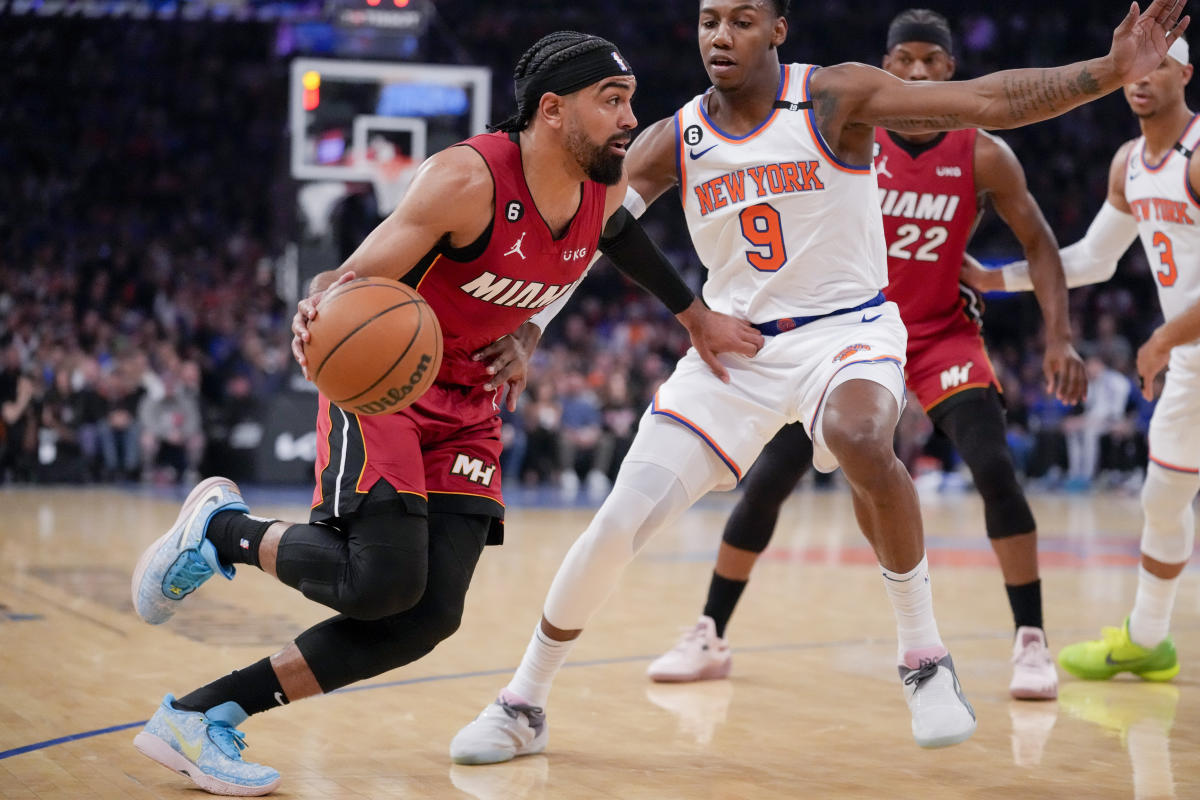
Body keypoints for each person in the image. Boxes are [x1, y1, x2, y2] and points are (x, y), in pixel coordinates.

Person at [449, 0, 1189, 763]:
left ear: (777, 30)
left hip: (851, 330)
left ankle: (925, 659)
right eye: (708, 20)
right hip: (735, 352)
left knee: (860, 435)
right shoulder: (676, 135)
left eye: (741, 19)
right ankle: (524, 702)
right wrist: (535, 325)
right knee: (615, 525)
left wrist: (1107, 72)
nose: (719, 36)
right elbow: (593, 227)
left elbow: (989, 99)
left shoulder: (835, 96)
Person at [128, 31, 759, 797]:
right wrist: (321, 306)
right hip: (388, 385)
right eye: (613, 101)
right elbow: (352, 275)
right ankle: (221, 531)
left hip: (469, 402)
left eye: (630, 101)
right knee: (377, 585)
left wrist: (669, 321)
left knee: (427, 617)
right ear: (553, 110)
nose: (631, 119)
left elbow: (617, 238)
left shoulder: (602, 186)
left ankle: (200, 716)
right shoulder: (467, 178)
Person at [643, 8, 1088, 702]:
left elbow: (1039, 242)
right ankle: (708, 628)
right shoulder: (848, 128)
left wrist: (1056, 333)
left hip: (938, 335)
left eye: (930, 63)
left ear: (947, 70)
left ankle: (1030, 639)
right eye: (902, 61)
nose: (914, 74)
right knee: (766, 486)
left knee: (997, 469)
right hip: (836, 338)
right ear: (887, 65)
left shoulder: (982, 153)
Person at [963, 34, 1198, 685]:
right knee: (1162, 499)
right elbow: (1094, 258)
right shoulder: (1129, 164)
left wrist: (1159, 339)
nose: (1142, 78)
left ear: (1186, 72)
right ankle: (1148, 641)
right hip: (1192, 360)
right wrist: (994, 279)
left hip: (1181, 346)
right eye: (1135, 68)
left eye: (1159, 67)